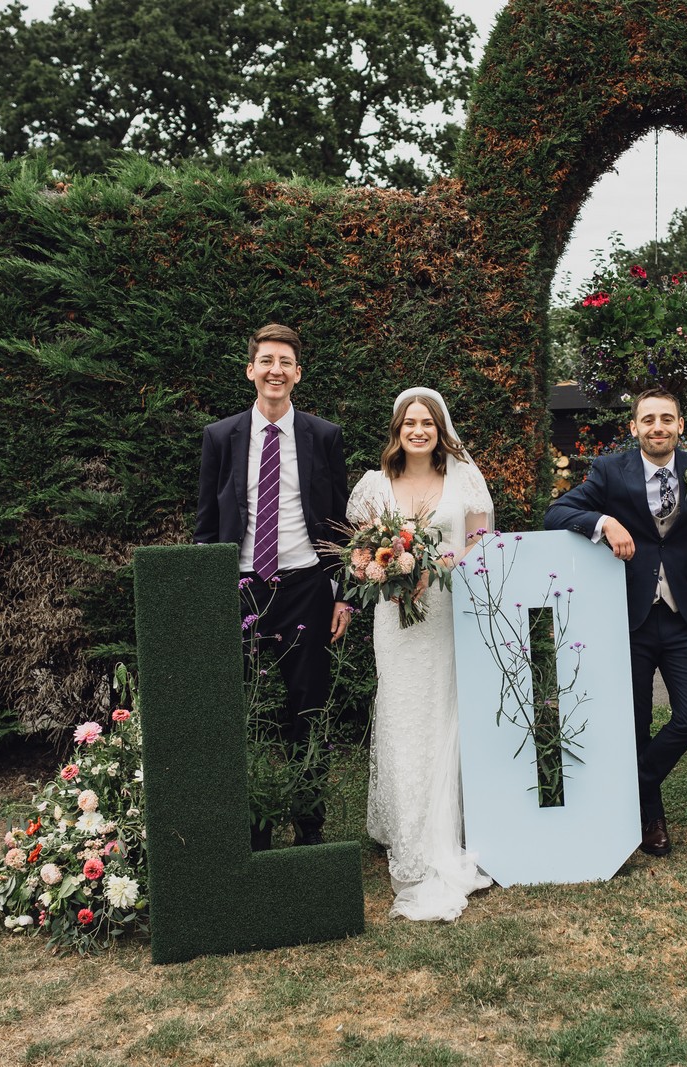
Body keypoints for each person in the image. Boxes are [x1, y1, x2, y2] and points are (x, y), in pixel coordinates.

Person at [544, 388, 687, 858]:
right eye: (648, 420)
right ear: (634, 427)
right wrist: (604, 523)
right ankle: (651, 820)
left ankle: (631, 782)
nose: (658, 427)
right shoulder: (610, 470)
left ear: (680, 425)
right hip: (629, 619)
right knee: (636, 722)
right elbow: (557, 513)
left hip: (683, 616)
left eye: (667, 418)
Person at [195, 323, 352, 850]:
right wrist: (209, 594)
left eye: (285, 362)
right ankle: (254, 828)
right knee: (246, 711)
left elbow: (340, 526)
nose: (275, 370)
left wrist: (343, 595)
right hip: (242, 589)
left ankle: (310, 828)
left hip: (306, 587)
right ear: (251, 370)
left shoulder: (324, 436)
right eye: (266, 360)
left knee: (308, 708)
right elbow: (205, 527)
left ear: (298, 373)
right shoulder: (220, 437)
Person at [349, 387, 494, 921]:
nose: (418, 430)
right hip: (396, 618)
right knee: (402, 714)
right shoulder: (374, 485)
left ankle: (446, 827)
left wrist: (441, 565)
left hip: (449, 612)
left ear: (440, 430)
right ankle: (407, 831)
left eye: (427, 423)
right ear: (397, 430)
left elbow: (482, 542)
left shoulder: (465, 480)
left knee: (444, 712)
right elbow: (360, 553)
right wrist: (381, 569)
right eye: (409, 423)